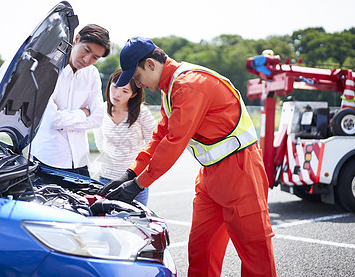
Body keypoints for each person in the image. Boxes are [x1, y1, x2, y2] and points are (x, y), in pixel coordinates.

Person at [99, 37, 277, 276]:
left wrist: (139, 183)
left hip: (241, 172)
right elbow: (161, 135)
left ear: (151, 64)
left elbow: (174, 141)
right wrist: (130, 174)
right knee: (201, 250)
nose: (139, 85)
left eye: (138, 78)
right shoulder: (170, 88)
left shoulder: (189, 85)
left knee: (255, 256)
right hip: (211, 174)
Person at [31, 24, 111, 180]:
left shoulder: (92, 74)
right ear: (76, 39)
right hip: (48, 159)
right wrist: (83, 113)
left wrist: (65, 118)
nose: (88, 60)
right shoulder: (48, 70)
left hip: (80, 160)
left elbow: (97, 118)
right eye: (86, 50)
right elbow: (53, 120)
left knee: (83, 203)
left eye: (95, 57)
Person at [94, 69, 156, 206]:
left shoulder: (142, 114)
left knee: (135, 223)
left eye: (125, 91)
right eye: (115, 86)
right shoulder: (101, 110)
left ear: (133, 95)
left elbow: (154, 144)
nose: (117, 94)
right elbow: (99, 143)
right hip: (106, 179)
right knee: (105, 222)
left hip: (134, 182)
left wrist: (139, 175)